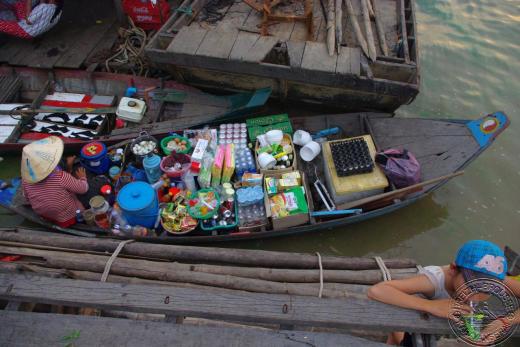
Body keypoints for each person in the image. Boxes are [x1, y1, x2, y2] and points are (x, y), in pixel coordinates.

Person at [367, 240, 520, 346]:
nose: (476, 296)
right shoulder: (433, 281)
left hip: (446, 319)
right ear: (453, 269)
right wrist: (430, 305)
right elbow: (378, 290)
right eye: (471, 286)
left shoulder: (494, 280)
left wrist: (505, 321)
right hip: (410, 317)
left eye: (486, 290)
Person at [21, 136, 88, 228]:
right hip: (68, 217)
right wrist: (83, 178)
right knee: (82, 199)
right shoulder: (61, 176)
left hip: (44, 214)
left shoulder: (26, 179)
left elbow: (27, 197)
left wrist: (68, 168)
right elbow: (83, 189)